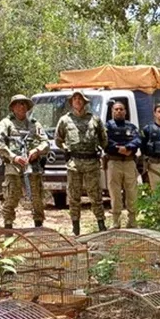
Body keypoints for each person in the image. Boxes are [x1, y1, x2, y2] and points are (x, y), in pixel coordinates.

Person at [55, 90, 108, 236]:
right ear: (71, 102)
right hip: (74, 164)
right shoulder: (65, 120)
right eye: (75, 99)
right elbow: (58, 140)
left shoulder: (95, 120)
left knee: (96, 195)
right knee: (73, 196)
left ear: (84, 102)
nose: (77, 101)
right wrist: (66, 148)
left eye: (80, 99)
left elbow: (104, 140)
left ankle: (101, 224)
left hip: (91, 163)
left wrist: (99, 149)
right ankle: (75, 227)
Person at [0, 94, 50, 229]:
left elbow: (46, 143)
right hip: (13, 168)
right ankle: (8, 229)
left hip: (32, 168)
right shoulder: (6, 124)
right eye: (18, 104)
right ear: (13, 107)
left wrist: (36, 150)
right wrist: (14, 157)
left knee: (37, 199)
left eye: (24, 104)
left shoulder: (34, 124)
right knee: (11, 198)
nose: (22, 106)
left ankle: (39, 227)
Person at [105, 101, 141, 228]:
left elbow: (137, 140)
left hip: (129, 163)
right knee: (115, 193)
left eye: (121, 109)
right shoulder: (107, 126)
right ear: (112, 112)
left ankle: (132, 220)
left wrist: (128, 148)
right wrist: (118, 149)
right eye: (116, 109)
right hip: (114, 163)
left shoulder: (131, 127)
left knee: (132, 192)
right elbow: (105, 141)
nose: (119, 111)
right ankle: (116, 221)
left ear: (125, 111)